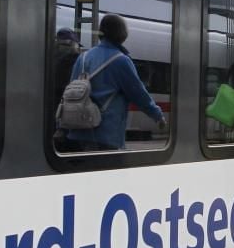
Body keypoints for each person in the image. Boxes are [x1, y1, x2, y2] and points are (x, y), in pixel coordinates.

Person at [66, 14, 165, 151]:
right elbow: (138, 94)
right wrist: (157, 115)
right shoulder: (121, 61)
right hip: (105, 134)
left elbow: (71, 89)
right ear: (122, 34)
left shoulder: (83, 57)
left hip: (77, 131)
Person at [52, 28, 82, 152]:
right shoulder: (75, 59)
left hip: (48, 115)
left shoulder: (47, 58)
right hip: (69, 117)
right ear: (72, 44)